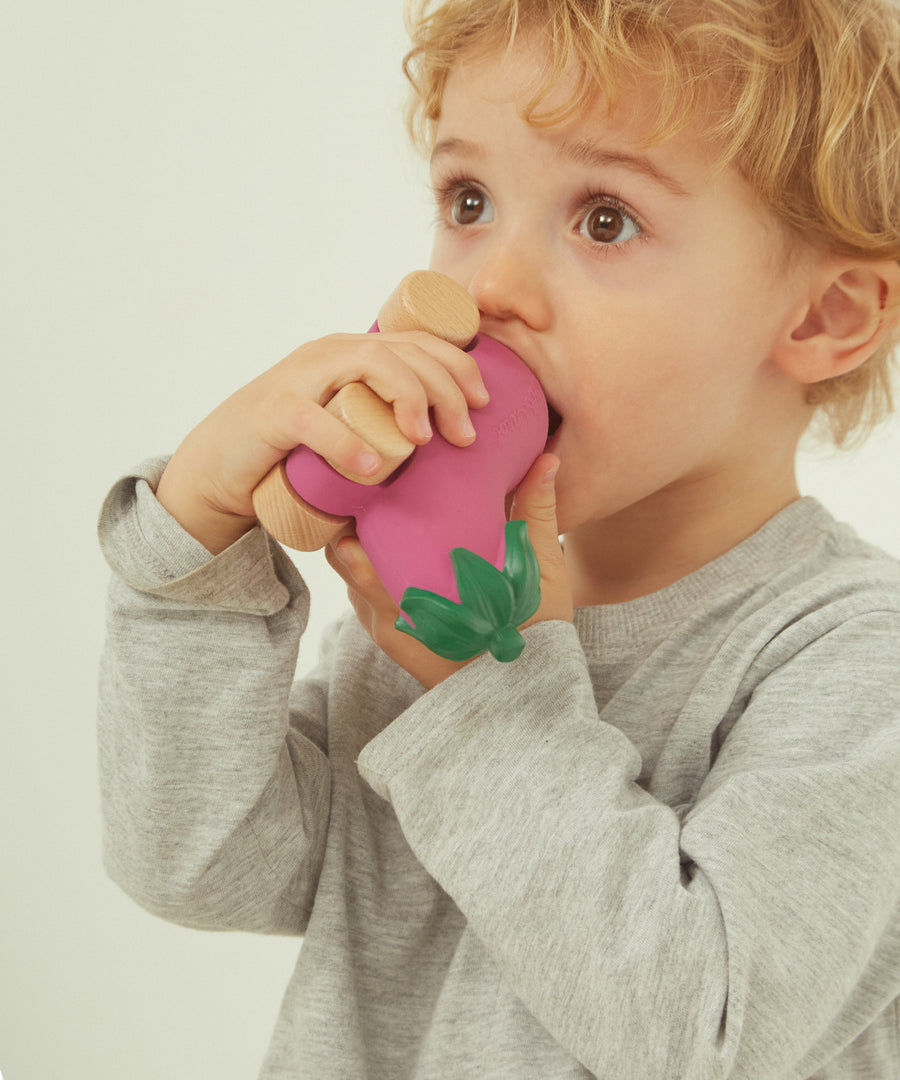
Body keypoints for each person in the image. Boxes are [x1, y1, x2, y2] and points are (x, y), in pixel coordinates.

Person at [97, 0, 900, 1076]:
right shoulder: (423, 615)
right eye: (468, 200)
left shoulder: (853, 665)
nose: (485, 289)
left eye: (604, 219)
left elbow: (700, 1035)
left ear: (822, 319)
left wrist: (485, 690)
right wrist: (190, 552)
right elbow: (198, 864)